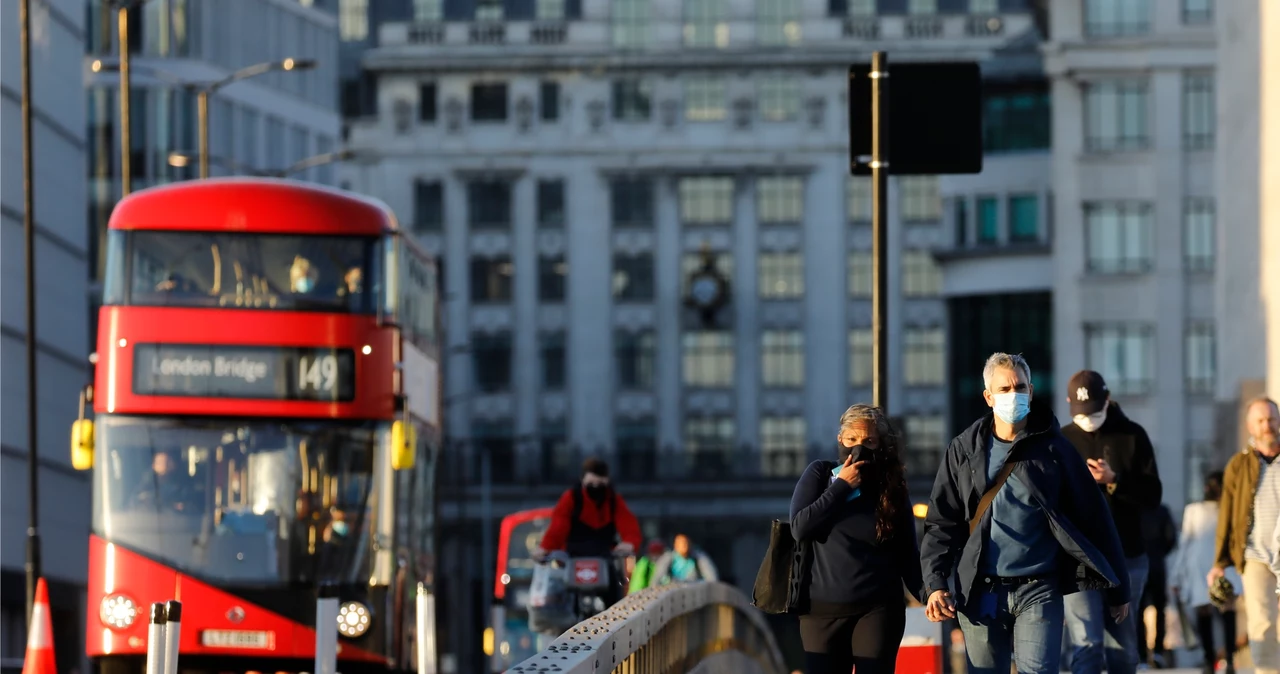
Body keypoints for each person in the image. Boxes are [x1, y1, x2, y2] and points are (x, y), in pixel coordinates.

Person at [920, 352, 1131, 674]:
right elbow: (942, 522)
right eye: (1004, 389)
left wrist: (1119, 589)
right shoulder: (964, 450)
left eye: (1019, 387)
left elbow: (1094, 518)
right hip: (980, 590)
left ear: (1031, 391)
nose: (1013, 395)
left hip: (1039, 588)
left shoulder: (1054, 450)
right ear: (988, 397)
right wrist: (935, 584)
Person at [789, 403, 925, 674]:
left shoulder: (891, 486)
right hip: (821, 613)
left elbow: (908, 553)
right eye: (851, 439)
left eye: (868, 441)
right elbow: (800, 528)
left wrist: (930, 594)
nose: (858, 447)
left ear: (880, 444)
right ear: (840, 439)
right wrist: (841, 486)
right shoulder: (820, 474)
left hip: (877, 609)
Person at [1058, 370, 1165, 674]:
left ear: (1107, 400)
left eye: (1093, 410)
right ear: (1068, 404)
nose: (1088, 418)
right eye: (1081, 412)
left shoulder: (1132, 435)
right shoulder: (1062, 439)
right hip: (1078, 558)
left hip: (1127, 555)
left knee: (1121, 649)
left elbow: (1153, 496)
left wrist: (1114, 480)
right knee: (1087, 645)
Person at [1209, 396, 1280, 674]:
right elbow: (1226, 516)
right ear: (1250, 426)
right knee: (1261, 623)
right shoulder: (1238, 466)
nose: (1267, 425)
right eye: (1260, 420)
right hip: (1256, 555)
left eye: (1271, 418)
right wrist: (1219, 563)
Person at [536, 458, 642, 606]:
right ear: (582, 480)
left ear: (607, 481)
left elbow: (628, 523)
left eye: (600, 484)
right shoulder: (571, 498)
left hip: (604, 557)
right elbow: (558, 526)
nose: (596, 487)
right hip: (573, 557)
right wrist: (545, 548)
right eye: (591, 484)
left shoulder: (613, 501)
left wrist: (629, 543)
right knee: (566, 600)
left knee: (615, 600)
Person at [1170, 472, 1237, 674]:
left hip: (1203, 566)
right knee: (1226, 613)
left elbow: (1185, 544)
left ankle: (1211, 660)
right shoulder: (1229, 508)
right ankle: (1227, 660)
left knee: (1206, 612)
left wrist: (1177, 575)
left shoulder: (1195, 510)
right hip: (1224, 566)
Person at [651, 534, 719, 585]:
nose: (684, 546)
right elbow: (658, 578)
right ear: (675, 545)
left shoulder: (698, 557)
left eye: (686, 543)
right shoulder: (668, 558)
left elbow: (711, 578)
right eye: (680, 543)